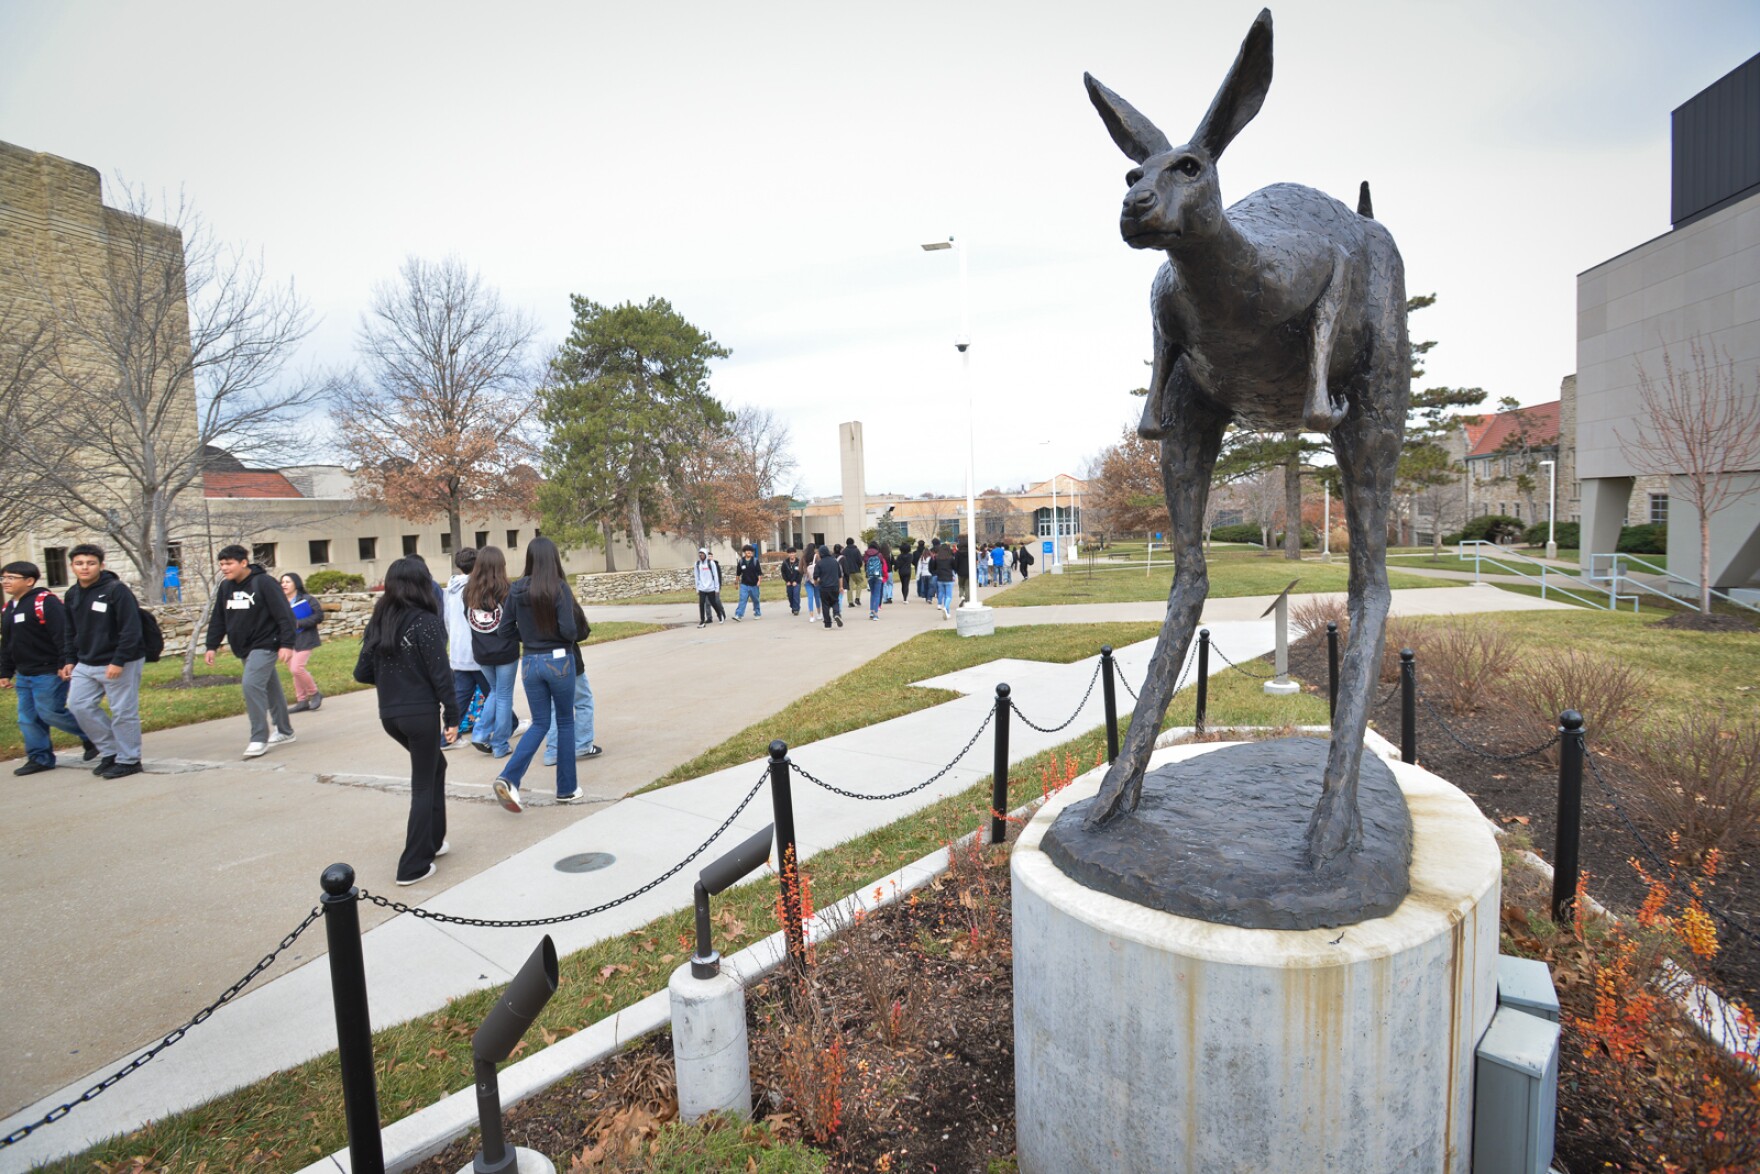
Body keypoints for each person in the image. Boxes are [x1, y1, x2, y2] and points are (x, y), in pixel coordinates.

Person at [353, 557, 459, 886]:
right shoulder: (425, 623)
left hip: (391, 716)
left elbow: (362, 672)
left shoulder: (380, 621)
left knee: (435, 768)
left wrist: (394, 680)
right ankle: (412, 865)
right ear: (421, 584)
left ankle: (433, 840)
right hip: (419, 716)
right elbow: (442, 676)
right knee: (423, 784)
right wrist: (452, 716)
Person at [492, 536, 581, 813]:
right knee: (565, 721)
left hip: (530, 661)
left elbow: (504, 630)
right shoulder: (559, 588)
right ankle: (566, 789)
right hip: (558, 662)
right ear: (553, 558)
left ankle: (509, 777)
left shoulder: (516, 589)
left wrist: (529, 636)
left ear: (529, 558)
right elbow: (569, 631)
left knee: (540, 723)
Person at [60, 544, 145, 779]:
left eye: (90, 563)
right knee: (79, 705)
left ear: (101, 565)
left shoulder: (116, 590)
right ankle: (111, 751)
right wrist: (69, 659)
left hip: (120, 660)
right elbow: (70, 629)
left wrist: (119, 660)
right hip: (86, 662)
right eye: (79, 563)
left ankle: (129, 760)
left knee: (123, 711)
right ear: (72, 566)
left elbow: (131, 629)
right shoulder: (72, 594)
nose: (85, 567)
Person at [1, 561, 94, 776]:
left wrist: (65, 662)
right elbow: (7, 643)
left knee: (50, 713)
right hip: (24, 674)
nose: (5, 582)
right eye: (3, 578)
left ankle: (94, 735)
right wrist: (4, 672)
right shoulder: (8, 608)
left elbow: (63, 635)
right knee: (27, 718)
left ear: (29, 581)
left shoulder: (45, 602)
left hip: (49, 671)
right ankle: (40, 758)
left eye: (11, 577)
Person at [204, 545, 297, 759]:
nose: (224, 568)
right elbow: (218, 618)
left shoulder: (263, 583)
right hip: (243, 647)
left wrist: (287, 644)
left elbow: (285, 615)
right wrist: (211, 645)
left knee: (251, 684)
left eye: (229, 564)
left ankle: (258, 738)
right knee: (270, 687)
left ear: (243, 563)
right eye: (221, 564)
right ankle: (285, 731)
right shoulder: (226, 588)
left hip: (266, 643)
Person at [465, 546, 520, 757]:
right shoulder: (508, 590)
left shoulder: (468, 592)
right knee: (504, 695)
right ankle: (500, 744)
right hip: (505, 651)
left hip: (481, 652)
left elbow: (468, 620)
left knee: (496, 692)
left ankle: (480, 734)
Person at [544, 597, 604, 768]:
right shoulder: (563, 596)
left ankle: (552, 750)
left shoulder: (529, 596)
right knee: (583, 701)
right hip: (568, 659)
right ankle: (583, 745)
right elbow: (580, 631)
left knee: (555, 707)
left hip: (540, 658)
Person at [442, 549, 487, 751]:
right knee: (495, 692)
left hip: (458, 651)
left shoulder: (450, 588)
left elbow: (447, 620)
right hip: (476, 650)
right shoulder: (476, 587)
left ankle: (448, 737)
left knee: (462, 695)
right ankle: (510, 725)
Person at [281, 572, 324, 713]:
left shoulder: (307, 599)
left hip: (306, 638)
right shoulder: (280, 601)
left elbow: (319, 616)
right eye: (282, 582)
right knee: (294, 672)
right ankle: (302, 701)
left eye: (287, 582)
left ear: (296, 583)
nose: (284, 585)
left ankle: (315, 693)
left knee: (297, 668)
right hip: (288, 642)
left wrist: (299, 623)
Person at [813, 543, 844, 629]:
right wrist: (841, 587)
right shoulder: (835, 561)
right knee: (835, 602)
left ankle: (827, 624)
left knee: (825, 605)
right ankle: (836, 614)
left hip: (824, 587)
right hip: (834, 586)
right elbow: (840, 575)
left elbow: (815, 576)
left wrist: (816, 582)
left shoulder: (819, 563)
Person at [693, 548, 726, 627]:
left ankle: (719, 615)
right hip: (702, 588)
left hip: (711, 588)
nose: (701, 555)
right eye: (699, 554)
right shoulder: (697, 564)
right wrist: (697, 588)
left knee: (713, 603)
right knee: (701, 604)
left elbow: (715, 576)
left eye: (702, 554)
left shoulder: (711, 563)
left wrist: (716, 588)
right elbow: (696, 576)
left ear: (706, 554)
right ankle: (702, 621)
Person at [733, 544, 763, 621]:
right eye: (747, 551)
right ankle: (738, 615)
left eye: (750, 551)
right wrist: (736, 583)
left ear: (752, 552)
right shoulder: (741, 561)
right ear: (744, 552)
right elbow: (738, 573)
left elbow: (759, 572)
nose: (749, 552)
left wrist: (759, 581)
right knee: (742, 599)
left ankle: (757, 613)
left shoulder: (755, 561)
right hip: (744, 584)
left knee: (755, 600)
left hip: (754, 584)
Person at [930, 539, 959, 619]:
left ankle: (946, 611)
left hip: (940, 578)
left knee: (941, 593)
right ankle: (946, 607)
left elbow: (934, 567)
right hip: (949, 578)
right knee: (948, 596)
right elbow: (955, 567)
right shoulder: (950, 558)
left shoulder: (937, 558)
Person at [864, 541, 886, 620]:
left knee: (872, 594)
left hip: (870, 576)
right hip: (878, 576)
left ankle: (871, 611)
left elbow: (865, 564)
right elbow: (882, 565)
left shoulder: (866, 554)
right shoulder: (879, 554)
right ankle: (875, 614)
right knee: (877, 594)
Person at [840, 538, 864, 611]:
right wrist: (858, 566)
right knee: (860, 582)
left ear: (846, 543)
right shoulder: (856, 550)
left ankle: (850, 602)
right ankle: (857, 598)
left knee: (849, 586)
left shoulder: (844, 551)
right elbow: (860, 561)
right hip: (856, 570)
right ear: (853, 542)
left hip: (847, 571)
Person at [780, 548, 803, 616]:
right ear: (788, 554)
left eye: (793, 553)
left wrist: (796, 581)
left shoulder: (799, 562)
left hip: (796, 582)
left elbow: (801, 573)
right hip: (789, 582)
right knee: (790, 595)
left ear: (795, 553)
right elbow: (783, 572)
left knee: (796, 595)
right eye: (790, 553)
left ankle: (796, 609)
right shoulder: (785, 563)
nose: (791, 554)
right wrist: (787, 581)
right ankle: (793, 606)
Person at [801, 547, 821, 622]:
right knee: (817, 596)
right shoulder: (817, 556)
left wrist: (805, 572)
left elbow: (800, 569)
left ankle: (811, 616)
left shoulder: (803, 557)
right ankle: (819, 613)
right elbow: (820, 566)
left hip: (807, 579)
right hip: (816, 579)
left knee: (810, 597)